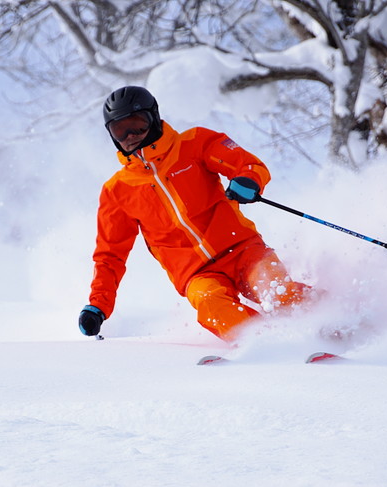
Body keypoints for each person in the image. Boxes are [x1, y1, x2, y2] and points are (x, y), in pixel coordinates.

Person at [78, 86, 312, 342]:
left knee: (276, 291)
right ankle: (271, 344)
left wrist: (249, 180)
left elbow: (248, 164)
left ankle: (331, 318)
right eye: (120, 131)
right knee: (212, 304)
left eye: (137, 124)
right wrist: (98, 306)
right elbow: (110, 256)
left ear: (153, 118)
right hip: (198, 275)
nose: (130, 136)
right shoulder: (118, 190)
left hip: (244, 250)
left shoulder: (194, 143)